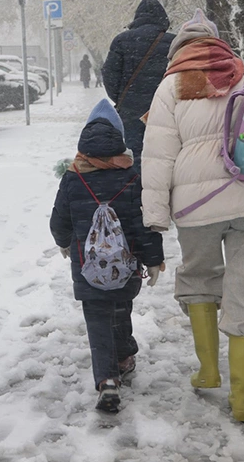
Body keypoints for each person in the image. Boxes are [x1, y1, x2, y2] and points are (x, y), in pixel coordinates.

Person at [141, 9, 244, 423]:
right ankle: (243, 398)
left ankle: (209, 370)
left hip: (196, 208)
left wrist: (156, 214)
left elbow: (158, 156)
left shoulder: (172, 86)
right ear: (220, 44)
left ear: (179, 50)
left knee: (199, 277)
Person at [51, 100, 165, 413]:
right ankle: (125, 356)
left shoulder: (73, 178)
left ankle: (107, 380)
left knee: (98, 319)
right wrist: (153, 258)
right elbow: (144, 225)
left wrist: (63, 241)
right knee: (120, 310)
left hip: (88, 268)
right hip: (124, 267)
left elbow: (59, 220)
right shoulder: (130, 177)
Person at [103, 0, 175, 158]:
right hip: (165, 110)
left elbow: (109, 75)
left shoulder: (121, 41)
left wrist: (123, 97)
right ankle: (158, 183)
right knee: (164, 155)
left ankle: (137, 182)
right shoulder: (174, 42)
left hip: (131, 112)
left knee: (135, 154)